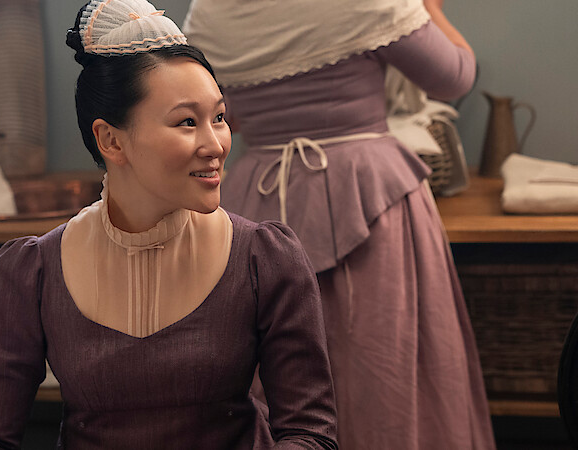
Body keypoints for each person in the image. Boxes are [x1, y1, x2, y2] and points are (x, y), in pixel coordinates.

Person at [0, 1, 338, 448]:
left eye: (219, 117)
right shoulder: (33, 271)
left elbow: (309, 433)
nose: (215, 144)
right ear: (111, 140)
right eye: (187, 123)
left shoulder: (266, 259)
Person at [183, 0, 495, 449]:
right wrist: (430, 8)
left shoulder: (210, 10)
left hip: (258, 200)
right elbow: (453, 77)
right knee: (381, 363)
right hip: (368, 196)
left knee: (272, 372)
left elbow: (221, 115)